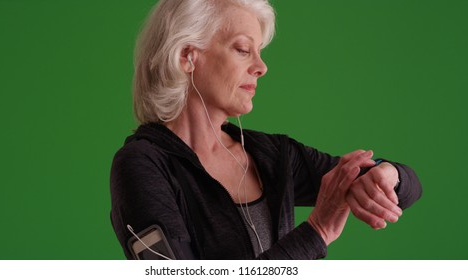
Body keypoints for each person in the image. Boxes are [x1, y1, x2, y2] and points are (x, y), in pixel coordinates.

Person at [110, 0, 422, 260]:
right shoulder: (142, 165)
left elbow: (408, 185)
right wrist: (318, 232)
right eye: (243, 49)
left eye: (259, 51)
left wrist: (385, 174)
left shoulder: (275, 155)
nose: (262, 66)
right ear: (187, 56)